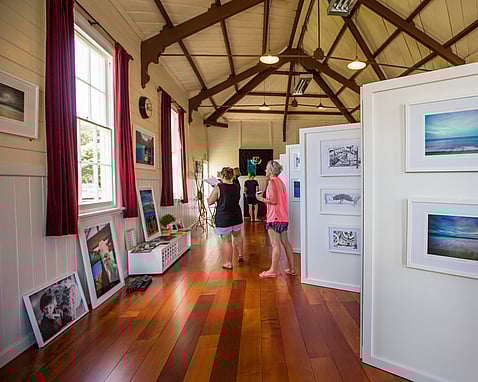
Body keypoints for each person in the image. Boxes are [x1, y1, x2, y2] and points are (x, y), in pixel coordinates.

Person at [256, 160, 296, 279]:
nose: (265, 170)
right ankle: (292, 268)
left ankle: (273, 270)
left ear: (270, 170)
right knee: (286, 242)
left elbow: (273, 201)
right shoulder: (281, 182)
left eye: (266, 169)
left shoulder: (272, 182)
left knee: (275, 244)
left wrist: (260, 198)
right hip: (283, 217)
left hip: (274, 217)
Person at [207, 167, 244, 269]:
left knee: (227, 241)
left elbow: (210, 201)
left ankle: (228, 263)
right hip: (236, 215)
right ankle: (240, 254)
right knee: (238, 236)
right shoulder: (236, 186)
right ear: (232, 175)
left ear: (222, 176)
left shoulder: (218, 187)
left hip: (224, 218)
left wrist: (212, 191)